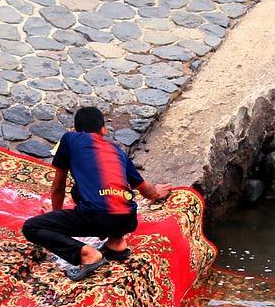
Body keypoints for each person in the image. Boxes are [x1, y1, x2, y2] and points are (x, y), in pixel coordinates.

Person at [21, 106, 172, 281]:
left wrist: (56, 217)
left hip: (96, 216)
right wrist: (156, 193)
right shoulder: (117, 151)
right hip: (128, 220)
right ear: (103, 130)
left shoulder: (69, 139)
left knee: (32, 227)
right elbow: (146, 190)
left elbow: (58, 186)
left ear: (76, 130)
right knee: (82, 191)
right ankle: (116, 243)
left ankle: (86, 254)